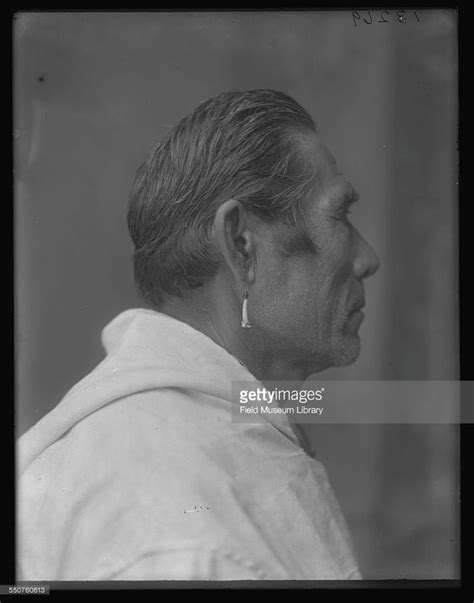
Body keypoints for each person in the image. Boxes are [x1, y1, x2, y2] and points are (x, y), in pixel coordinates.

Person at [17, 89, 379, 581]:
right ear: (241, 245)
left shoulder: (183, 441)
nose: (367, 258)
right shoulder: (173, 514)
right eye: (340, 215)